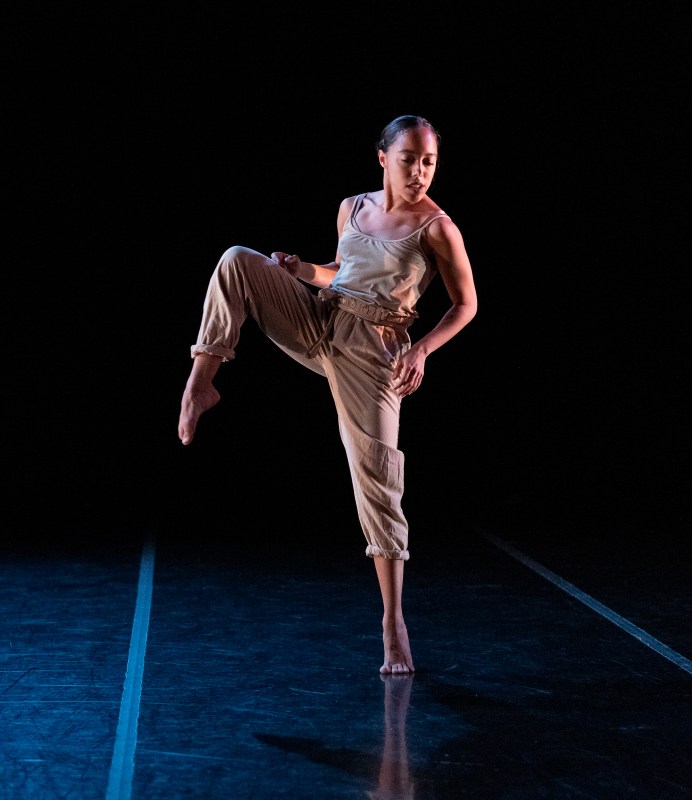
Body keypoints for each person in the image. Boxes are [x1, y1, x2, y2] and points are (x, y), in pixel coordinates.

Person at [178, 114, 478, 674]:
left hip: (375, 354)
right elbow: (341, 272)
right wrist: (302, 270)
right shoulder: (352, 208)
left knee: (379, 483)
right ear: (383, 158)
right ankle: (201, 384)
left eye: (430, 162)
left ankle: (393, 626)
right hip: (321, 320)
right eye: (409, 158)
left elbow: (467, 304)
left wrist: (422, 350)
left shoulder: (438, 228)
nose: (419, 172)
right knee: (237, 261)